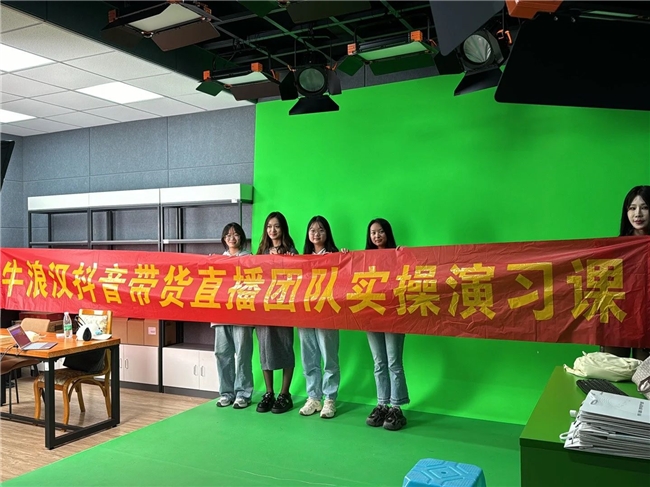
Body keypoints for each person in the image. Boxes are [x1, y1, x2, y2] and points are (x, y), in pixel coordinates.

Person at [364, 218, 409, 431]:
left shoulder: (399, 255)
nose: (377, 236)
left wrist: (405, 256)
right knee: (379, 362)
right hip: (371, 315)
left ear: (387, 233)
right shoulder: (363, 259)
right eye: (373, 232)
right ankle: (382, 404)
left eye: (380, 231)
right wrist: (344, 255)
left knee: (393, 362)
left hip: (393, 316)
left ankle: (396, 407)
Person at [298, 216, 342, 419]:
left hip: (327, 313)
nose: (316, 234)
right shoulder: (301, 259)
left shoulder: (335, 256)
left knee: (329, 357)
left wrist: (345, 257)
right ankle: (313, 397)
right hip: (305, 313)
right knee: (309, 358)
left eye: (321, 230)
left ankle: (330, 398)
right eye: (313, 230)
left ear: (327, 233)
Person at [600, 186, 650, 361]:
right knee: (612, 369)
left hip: (647, 320)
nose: (638, 214)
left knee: (644, 373)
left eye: (645, 207)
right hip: (618, 317)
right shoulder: (618, 247)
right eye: (632, 208)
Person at [255, 211, 297, 414]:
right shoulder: (261, 252)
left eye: (277, 226)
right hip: (263, 308)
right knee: (265, 348)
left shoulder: (291, 251)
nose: (272, 230)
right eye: (269, 226)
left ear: (283, 229)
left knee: (285, 346)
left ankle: (284, 393)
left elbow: (300, 276)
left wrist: (291, 261)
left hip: (283, 307)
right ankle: (269, 392)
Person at [211, 222, 254, 409]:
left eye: (235, 234)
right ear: (223, 239)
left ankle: (243, 394)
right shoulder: (217, 261)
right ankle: (226, 393)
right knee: (222, 354)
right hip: (221, 314)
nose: (232, 238)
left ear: (241, 237)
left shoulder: (250, 259)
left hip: (243, 313)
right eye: (228, 235)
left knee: (243, 354)